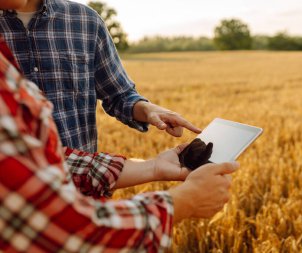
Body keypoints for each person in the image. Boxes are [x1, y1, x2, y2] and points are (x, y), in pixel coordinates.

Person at [0, 4, 239, 252]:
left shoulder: (84, 20)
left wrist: (152, 163)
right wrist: (183, 202)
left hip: (86, 194)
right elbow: (57, 224)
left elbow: (61, 158)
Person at [0, 0, 201, 153]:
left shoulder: (85, 20)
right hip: (13, 196)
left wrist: (148, 110)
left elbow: (119, 95)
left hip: (87, 185)